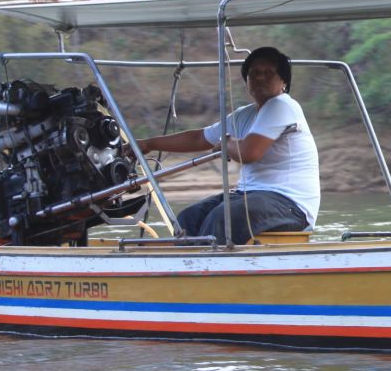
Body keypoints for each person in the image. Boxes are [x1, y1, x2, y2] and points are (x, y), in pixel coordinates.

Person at [137, 46, 319, 245]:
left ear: (283, 81)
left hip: (290, 205)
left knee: (223, 219)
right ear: (247, 80)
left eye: (269, 73)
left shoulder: (283, 105)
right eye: (254, 74)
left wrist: (226, 143)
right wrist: (148, 144)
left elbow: (250, 152)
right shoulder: (245, 115)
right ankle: (185, 269)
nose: (260, 78)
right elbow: (200, 138)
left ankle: (206, 271)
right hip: (249, 195)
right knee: (188, 218)